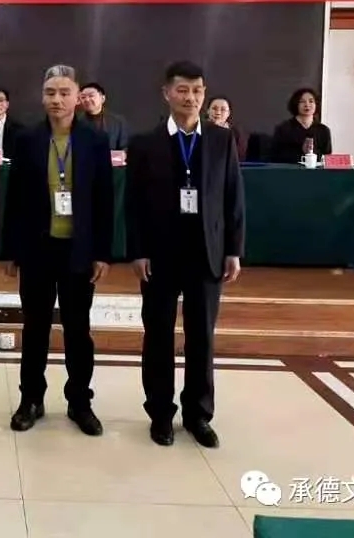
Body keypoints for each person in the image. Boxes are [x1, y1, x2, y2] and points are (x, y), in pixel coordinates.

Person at [125, 61, 245, 449]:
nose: (190, 97)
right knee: (158, 336)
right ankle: (160, 414)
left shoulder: (221, 139)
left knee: (201, 338)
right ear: (166, 93)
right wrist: (137, 250)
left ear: (204, 94)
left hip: (206, 253)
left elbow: (233, 197)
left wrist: (233, 250)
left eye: (197, 90)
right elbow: (133, 203)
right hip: (159, 255)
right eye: (182, 90)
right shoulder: (144, 143)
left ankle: (198, 415)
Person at [3, 65, 113, 436]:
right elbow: (15, 197)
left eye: (65, 92)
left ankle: (80, 401)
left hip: (78, 251)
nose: (57, 99)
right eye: (50, 92)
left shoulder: (94, 140)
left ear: (77, 97)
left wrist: (102, 252)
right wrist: (12, 250)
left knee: (78, 330)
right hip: (37, 248)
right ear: (42, 96)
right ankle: (31, 399)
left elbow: (104, 199)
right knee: (35, 328)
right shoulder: (27, 138)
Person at [270, 87, 333, 163]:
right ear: (296, 104)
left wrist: (311, 153)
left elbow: (327, 159)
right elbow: (275, 157)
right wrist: (301, 151)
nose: (307, 105)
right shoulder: (284, 128)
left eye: (311, 101)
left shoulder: (323, 130)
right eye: (302, 101)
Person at [78, 82, 129, 153]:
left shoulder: (118, 121)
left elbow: (124, 149)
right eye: (83, 97)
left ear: (102, 98)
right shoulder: (76, 122)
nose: (87, 100)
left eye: (91, 96)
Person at [206, 96, 246, 161]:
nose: (218, 113)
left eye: (223, 110)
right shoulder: (199, 130)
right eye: (214, 109)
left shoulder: (236, 133)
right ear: (208, 111)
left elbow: (240, 156)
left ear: (228, 113)